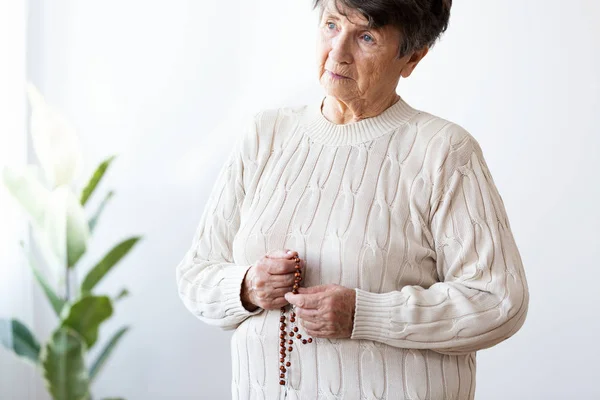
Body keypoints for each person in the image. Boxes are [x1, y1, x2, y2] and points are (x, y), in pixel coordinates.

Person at [176, 0, 529, 399]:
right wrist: (246, 287)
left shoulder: (444, 152)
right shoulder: (265, 134)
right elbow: (196, 276)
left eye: (366, 37)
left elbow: (498, 301)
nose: (337, 52)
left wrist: (365, 315)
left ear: (412, 57)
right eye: (330, 25)